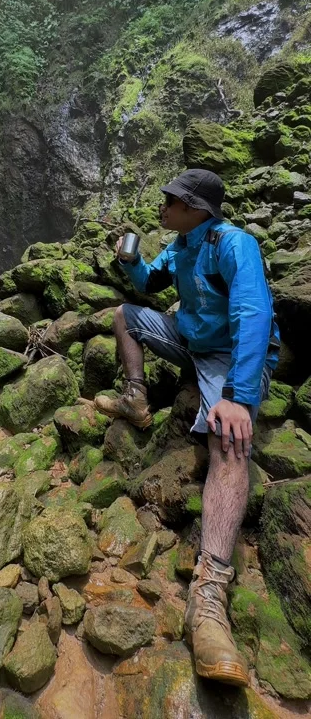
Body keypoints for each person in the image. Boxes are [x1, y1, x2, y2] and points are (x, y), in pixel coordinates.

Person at [95, 168, 280, 688]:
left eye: (171, 200)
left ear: (197, 209)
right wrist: (131, 262)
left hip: (231, 354)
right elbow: (149, 285)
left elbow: (253, 313)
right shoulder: (180, 246)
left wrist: (239, 397)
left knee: (229, 438)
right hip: (192, 339)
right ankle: (136, 397)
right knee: (125, 315)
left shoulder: (233, 243)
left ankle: (210, 590)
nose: (163, 206)